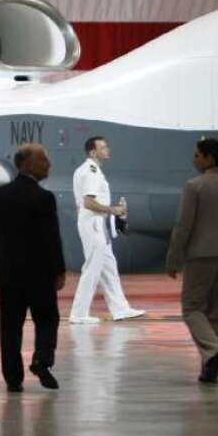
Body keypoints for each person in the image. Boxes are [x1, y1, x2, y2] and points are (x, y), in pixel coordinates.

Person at [165, 138, 218, 383]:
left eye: (197, 155)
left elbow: (183, 226)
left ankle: (213, 349)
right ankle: (209, 369)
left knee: (192, 308)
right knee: (214, 312)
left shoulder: (194, 186)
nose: (194, 160)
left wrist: (173, 258)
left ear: (208, 158)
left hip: (201, 255)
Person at [0, 144, 66, 392]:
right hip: (39, 275)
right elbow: (51, 238)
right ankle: (42, 360)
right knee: (47, 319)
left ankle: (13, 378)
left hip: (8, 274)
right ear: (27, 164)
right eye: (43, 160)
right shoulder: (44, 198)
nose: (49, 164)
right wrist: (59, 270)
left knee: (9, 327)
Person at [68, 137, 145, 323]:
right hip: (93, 223)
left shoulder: (89, 170)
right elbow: (89, 202)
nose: (107, 149)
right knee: (92, 267)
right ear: (93, 152)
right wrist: (114, 210)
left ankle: (120, 309)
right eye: (103, 147)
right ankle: (78, 314)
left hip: (96, 223)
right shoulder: (91, 171)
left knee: (109, 267)